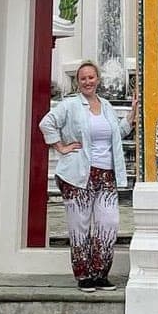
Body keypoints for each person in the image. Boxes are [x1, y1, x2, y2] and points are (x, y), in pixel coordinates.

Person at [38, 60, 130, 292]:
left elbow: (116, 134)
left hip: (106, 173)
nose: (88, 82)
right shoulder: (70, 105)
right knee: (79, 225)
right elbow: (46, 123)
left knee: (109, 223)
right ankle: (84, 275)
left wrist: (131, 116)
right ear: (78, 82)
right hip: (78, 174)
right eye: (83, 78)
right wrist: (60, 147)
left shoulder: (107, 106)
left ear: (98, 79)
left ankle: (100, 273)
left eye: (91, 77)